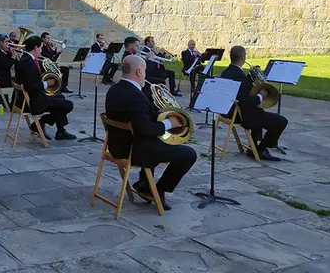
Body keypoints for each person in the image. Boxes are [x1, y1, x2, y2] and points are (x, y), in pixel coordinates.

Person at [104, 55, 197, 210]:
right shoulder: (136, 97)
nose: (145, 74)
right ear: (139, 72)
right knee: (189, 154)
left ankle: (144, 182)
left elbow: (135, 110)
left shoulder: (114, 89)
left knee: (157, 138)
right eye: (145, 70)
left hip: (116, 146)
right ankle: (158, 190)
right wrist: (170, 123)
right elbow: (144, 129)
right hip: (134, 151)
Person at [220, 46, 288, 161]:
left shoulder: (227, 72)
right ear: (242, 57)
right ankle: (261, 149)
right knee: (281, 121)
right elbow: (245, 101)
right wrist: (261, 96)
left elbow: (241, 88)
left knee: (260, 110)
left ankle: (254, 147)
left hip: (227, 111)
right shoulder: (239, 75)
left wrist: (250, 76)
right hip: (241, 115)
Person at [15, 36, 76, 140]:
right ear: (35, 48)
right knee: (68, 105)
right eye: (40, 47)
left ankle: (61, 130)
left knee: (60, 97)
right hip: (32, 102)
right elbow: (30, 87)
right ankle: (40, 123)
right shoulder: (28, 63)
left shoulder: (26, 59)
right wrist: (47, 83)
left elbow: (32, 78)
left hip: (27, 98)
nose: (41, 50)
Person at [181, 40, 203, 106]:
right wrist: (193, 56)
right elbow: (186, 61)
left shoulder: (196, 52)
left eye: (194, 44)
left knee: (203, 69)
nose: (193, 46)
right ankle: (193, 87)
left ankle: (201, 85)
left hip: (196, 67)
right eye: (192, 44)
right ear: (188, 45)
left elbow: (202, 61)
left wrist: (201, 56)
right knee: (193, 71)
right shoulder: (184, 52)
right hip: (188, 67)